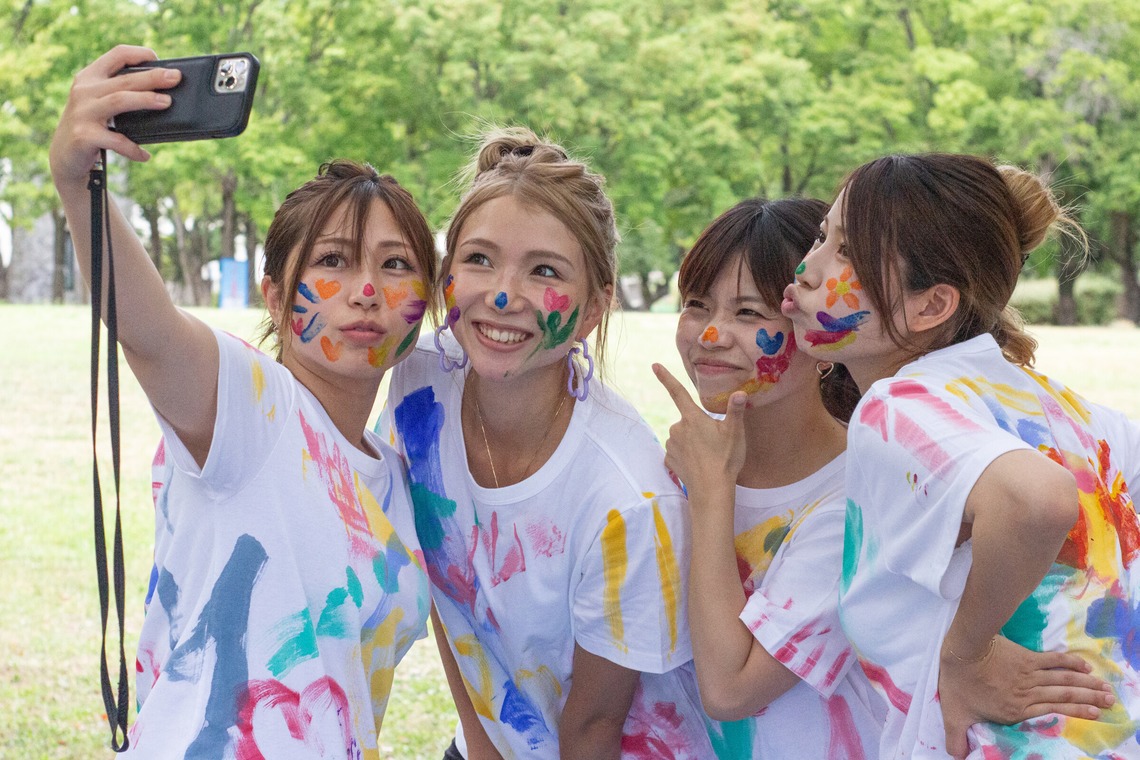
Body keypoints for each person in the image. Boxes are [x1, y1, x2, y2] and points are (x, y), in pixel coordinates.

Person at [50, 45, 437, 759]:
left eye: (396, 265)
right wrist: (78, 184)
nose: (366, 291)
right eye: (333, 260)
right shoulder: (253, 409)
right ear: (275, 296)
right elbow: (150, 331)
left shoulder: (396, 474)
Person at [378, 127, 713, 759]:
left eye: (545, 271)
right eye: (479, 259)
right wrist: (481, 744)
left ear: (594, 308)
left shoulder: (628, 500)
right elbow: (454, 594)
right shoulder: (419, 387)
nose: (502, 295)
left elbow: (593, 727)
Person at [782, 152, 1130, 759]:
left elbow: (1035, 499)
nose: (807, 269)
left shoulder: (897, 406)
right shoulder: (1061, 409)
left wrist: (968, 655)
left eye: (848, 253)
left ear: (931, 306)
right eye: (821, 236)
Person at [652, 197, 884, 758]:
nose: (710, 335)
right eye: (697, 305)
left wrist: (712, 495)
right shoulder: (679, 462)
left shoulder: (859, 501)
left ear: (816, 328)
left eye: (750, 313)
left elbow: (730, 691)